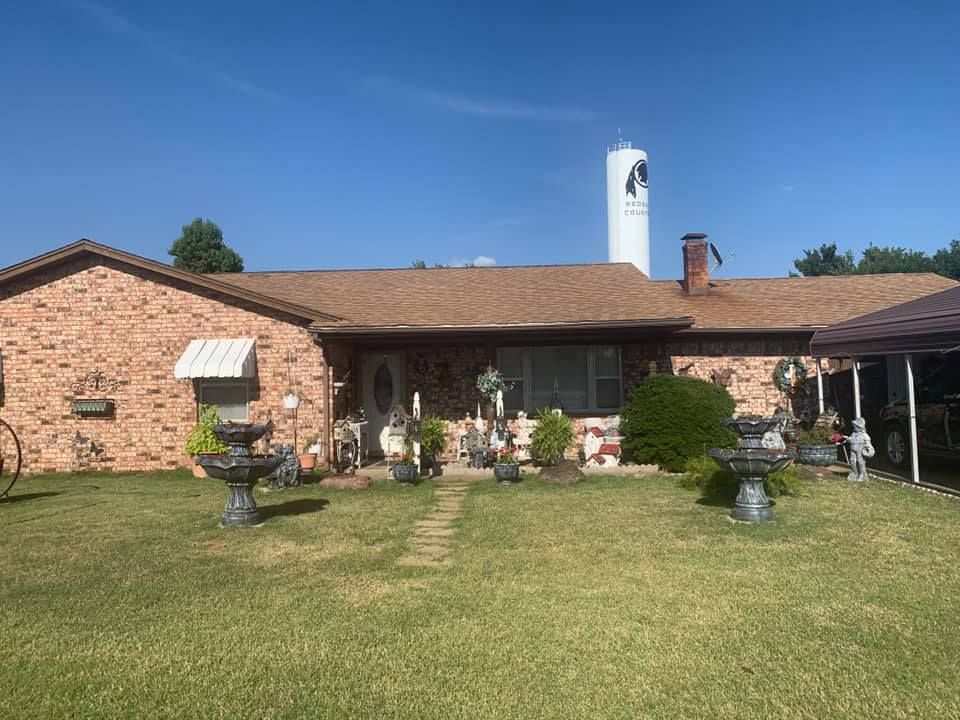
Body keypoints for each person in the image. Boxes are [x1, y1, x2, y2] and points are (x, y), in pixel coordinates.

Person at [845, 417, 875, 482]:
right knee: (852, 460)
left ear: (859, 427)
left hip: (860, 450)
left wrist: (869, 450)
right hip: (853, 449)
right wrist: (848, 439)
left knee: (860, 462)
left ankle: (862, 474)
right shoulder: (853, 434)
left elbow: (868, 444)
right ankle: (855, 473)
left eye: (855, 426)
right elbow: (851, 439)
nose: (854, 428)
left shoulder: (864, 435)